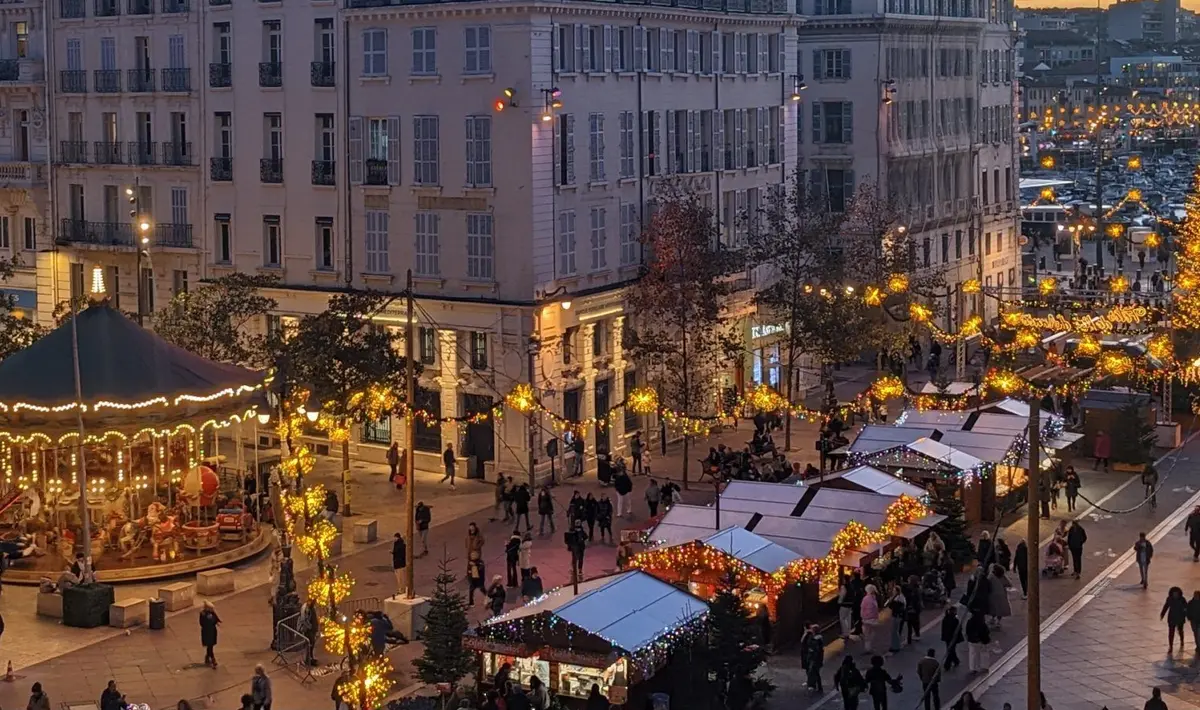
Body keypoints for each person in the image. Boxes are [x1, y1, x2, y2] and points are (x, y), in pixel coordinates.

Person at [1162, 585, 1188, 653]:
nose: (1175, 595)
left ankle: (1182, 640)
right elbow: (1166, 606)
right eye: (1174, 593)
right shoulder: (1169, 599)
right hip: (1172, 617)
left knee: (1180, 630)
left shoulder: (1182, 599)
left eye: (1176, 593)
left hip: (1180, 617)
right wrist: (1162, 614)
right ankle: (1171, 646)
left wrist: (1187, 614)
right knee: (1171, 632)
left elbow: (1186, 608)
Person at [965, 607, 990, 674]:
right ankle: (985, 667)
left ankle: (973, 668)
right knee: (984, 653)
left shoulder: (970, 622)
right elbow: (986, 631)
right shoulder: (982, 623)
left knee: (973, 654)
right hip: (983, 640)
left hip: (973, 640)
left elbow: (967, 631)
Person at [800, 623, 824, 692]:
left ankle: (815, 686)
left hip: (815, 658)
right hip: (815, 658)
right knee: (815, 672)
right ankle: (818, 686)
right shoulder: (816, 638)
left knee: (814, 672)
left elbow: (815, 649)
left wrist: (811, 652)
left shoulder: (816, 639)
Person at [199, 600, 221, 668]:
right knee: (210, 646)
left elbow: (215, 617)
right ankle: (213, 659)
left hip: (212, 631)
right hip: (207, 632)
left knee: (210, 645)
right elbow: (201, 623)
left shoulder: (212, 612)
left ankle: (207, 657)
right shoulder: (203, 614)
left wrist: (217, 621)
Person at [940, 606, 962, 670]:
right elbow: (958, 629)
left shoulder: (945, 619)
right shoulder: (954, 620)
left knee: (950, 649)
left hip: (947, 637)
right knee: (951, 650)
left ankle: (956, 660)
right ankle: (947, 664)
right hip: (952, 637)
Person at [860, 584, 880, 653]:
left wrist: (862, 617)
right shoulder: (874, 598)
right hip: (873, 618)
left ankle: (867, 648)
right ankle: (870, 647)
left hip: (867, 618)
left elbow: (862, 608)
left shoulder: (865, 599)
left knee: (867, 634)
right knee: (871, 633)